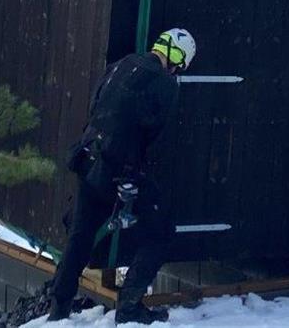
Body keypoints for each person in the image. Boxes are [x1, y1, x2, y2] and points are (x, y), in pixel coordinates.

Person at [48, 29, 197, 325]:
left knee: (81, 234)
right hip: (120, 171)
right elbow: (155, 135)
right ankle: (128, 307)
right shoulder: (164, 84)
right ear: (178, 58)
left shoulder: (121, 64)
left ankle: (59, 307)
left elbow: (95, 105)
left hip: (88, 158)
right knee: (160, 233)